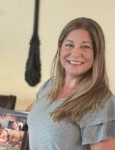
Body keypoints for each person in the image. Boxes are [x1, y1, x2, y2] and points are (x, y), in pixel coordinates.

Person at [27, 17, 115, 150]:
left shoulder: (102, 102)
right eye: (69, 45)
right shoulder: (49, 85)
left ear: (97, 53)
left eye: (85, 47)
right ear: (60, 47)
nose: (75, 53)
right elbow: (32, 119)